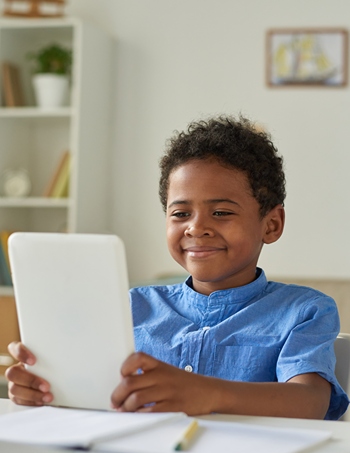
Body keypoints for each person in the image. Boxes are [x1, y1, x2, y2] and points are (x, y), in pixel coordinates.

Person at [6, 116, 349, 420]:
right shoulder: (129, 308)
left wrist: (207, 393)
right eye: (181, 213)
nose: (196, 228)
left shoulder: (304, 310)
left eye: (222, 212)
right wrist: (45, 388)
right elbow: (91, 399)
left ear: (271, 224)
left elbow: (310, 402)